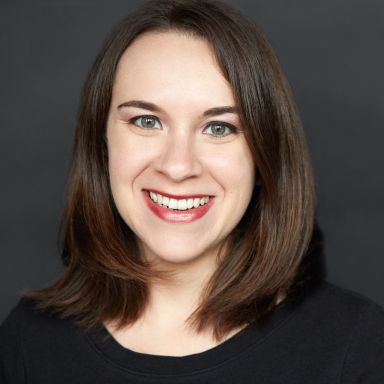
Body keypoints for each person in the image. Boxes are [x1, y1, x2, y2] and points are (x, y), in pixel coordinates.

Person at [1, 0, 383, 382]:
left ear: (263, 155)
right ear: (101, 144)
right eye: (147, 121)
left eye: (219, 128)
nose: (178, 166)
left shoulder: (357, 347)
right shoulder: (29, 341)